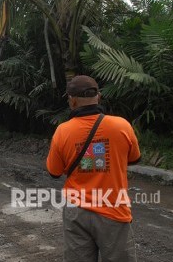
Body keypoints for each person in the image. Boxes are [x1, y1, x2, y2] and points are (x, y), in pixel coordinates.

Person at [46, 75, 141, 262]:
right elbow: (134, 159)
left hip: (77, 212)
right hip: (114, 209)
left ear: (72, 101)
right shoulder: (121, 125)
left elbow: (54, 172)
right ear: (98, 96)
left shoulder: (62, 131)